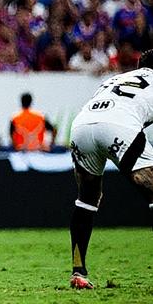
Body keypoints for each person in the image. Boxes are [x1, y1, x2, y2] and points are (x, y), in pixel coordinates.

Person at [67, 50, 153, 289]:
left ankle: (78, 271)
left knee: (86, 200)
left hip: (82, 126)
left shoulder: (116, 79)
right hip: (119, 125)